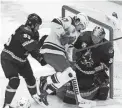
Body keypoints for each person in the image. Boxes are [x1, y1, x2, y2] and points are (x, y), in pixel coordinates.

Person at [38, 13, 97, 107]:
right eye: (82, 25)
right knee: (70, 73)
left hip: (59, 53)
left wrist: (70, 60)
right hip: (51, 49)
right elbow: (55, 22)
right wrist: (63, 34)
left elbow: (69, 47)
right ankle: (46, 80)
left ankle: (44, 94)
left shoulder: (76, 33)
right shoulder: (69, 20)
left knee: (67, 76)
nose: (81, 28)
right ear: (78, 21)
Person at [56, 26, 114, 104]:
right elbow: (74, 49)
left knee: (85, 87)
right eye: (93, 36)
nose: (94, 39)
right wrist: (75, 58)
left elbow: (109, 61)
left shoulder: (107, 46)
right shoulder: (84, 36)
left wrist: (100, 67)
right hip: (79, 67)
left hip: (93, 72)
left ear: (102, 37)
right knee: (66, 82)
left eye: (97, 38)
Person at [1, 13, 47, 108]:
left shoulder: (34, 34)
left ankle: (35, 96)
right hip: (8, 59)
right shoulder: (23, 31)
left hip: (21, 59)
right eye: (37, 25)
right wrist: (41, 42)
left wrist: (40, 58)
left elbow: (32, 50)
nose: (38, 28)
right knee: (14, 81)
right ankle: (6, 105)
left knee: (30, 78)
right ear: (32, 24)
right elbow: (30, 46)